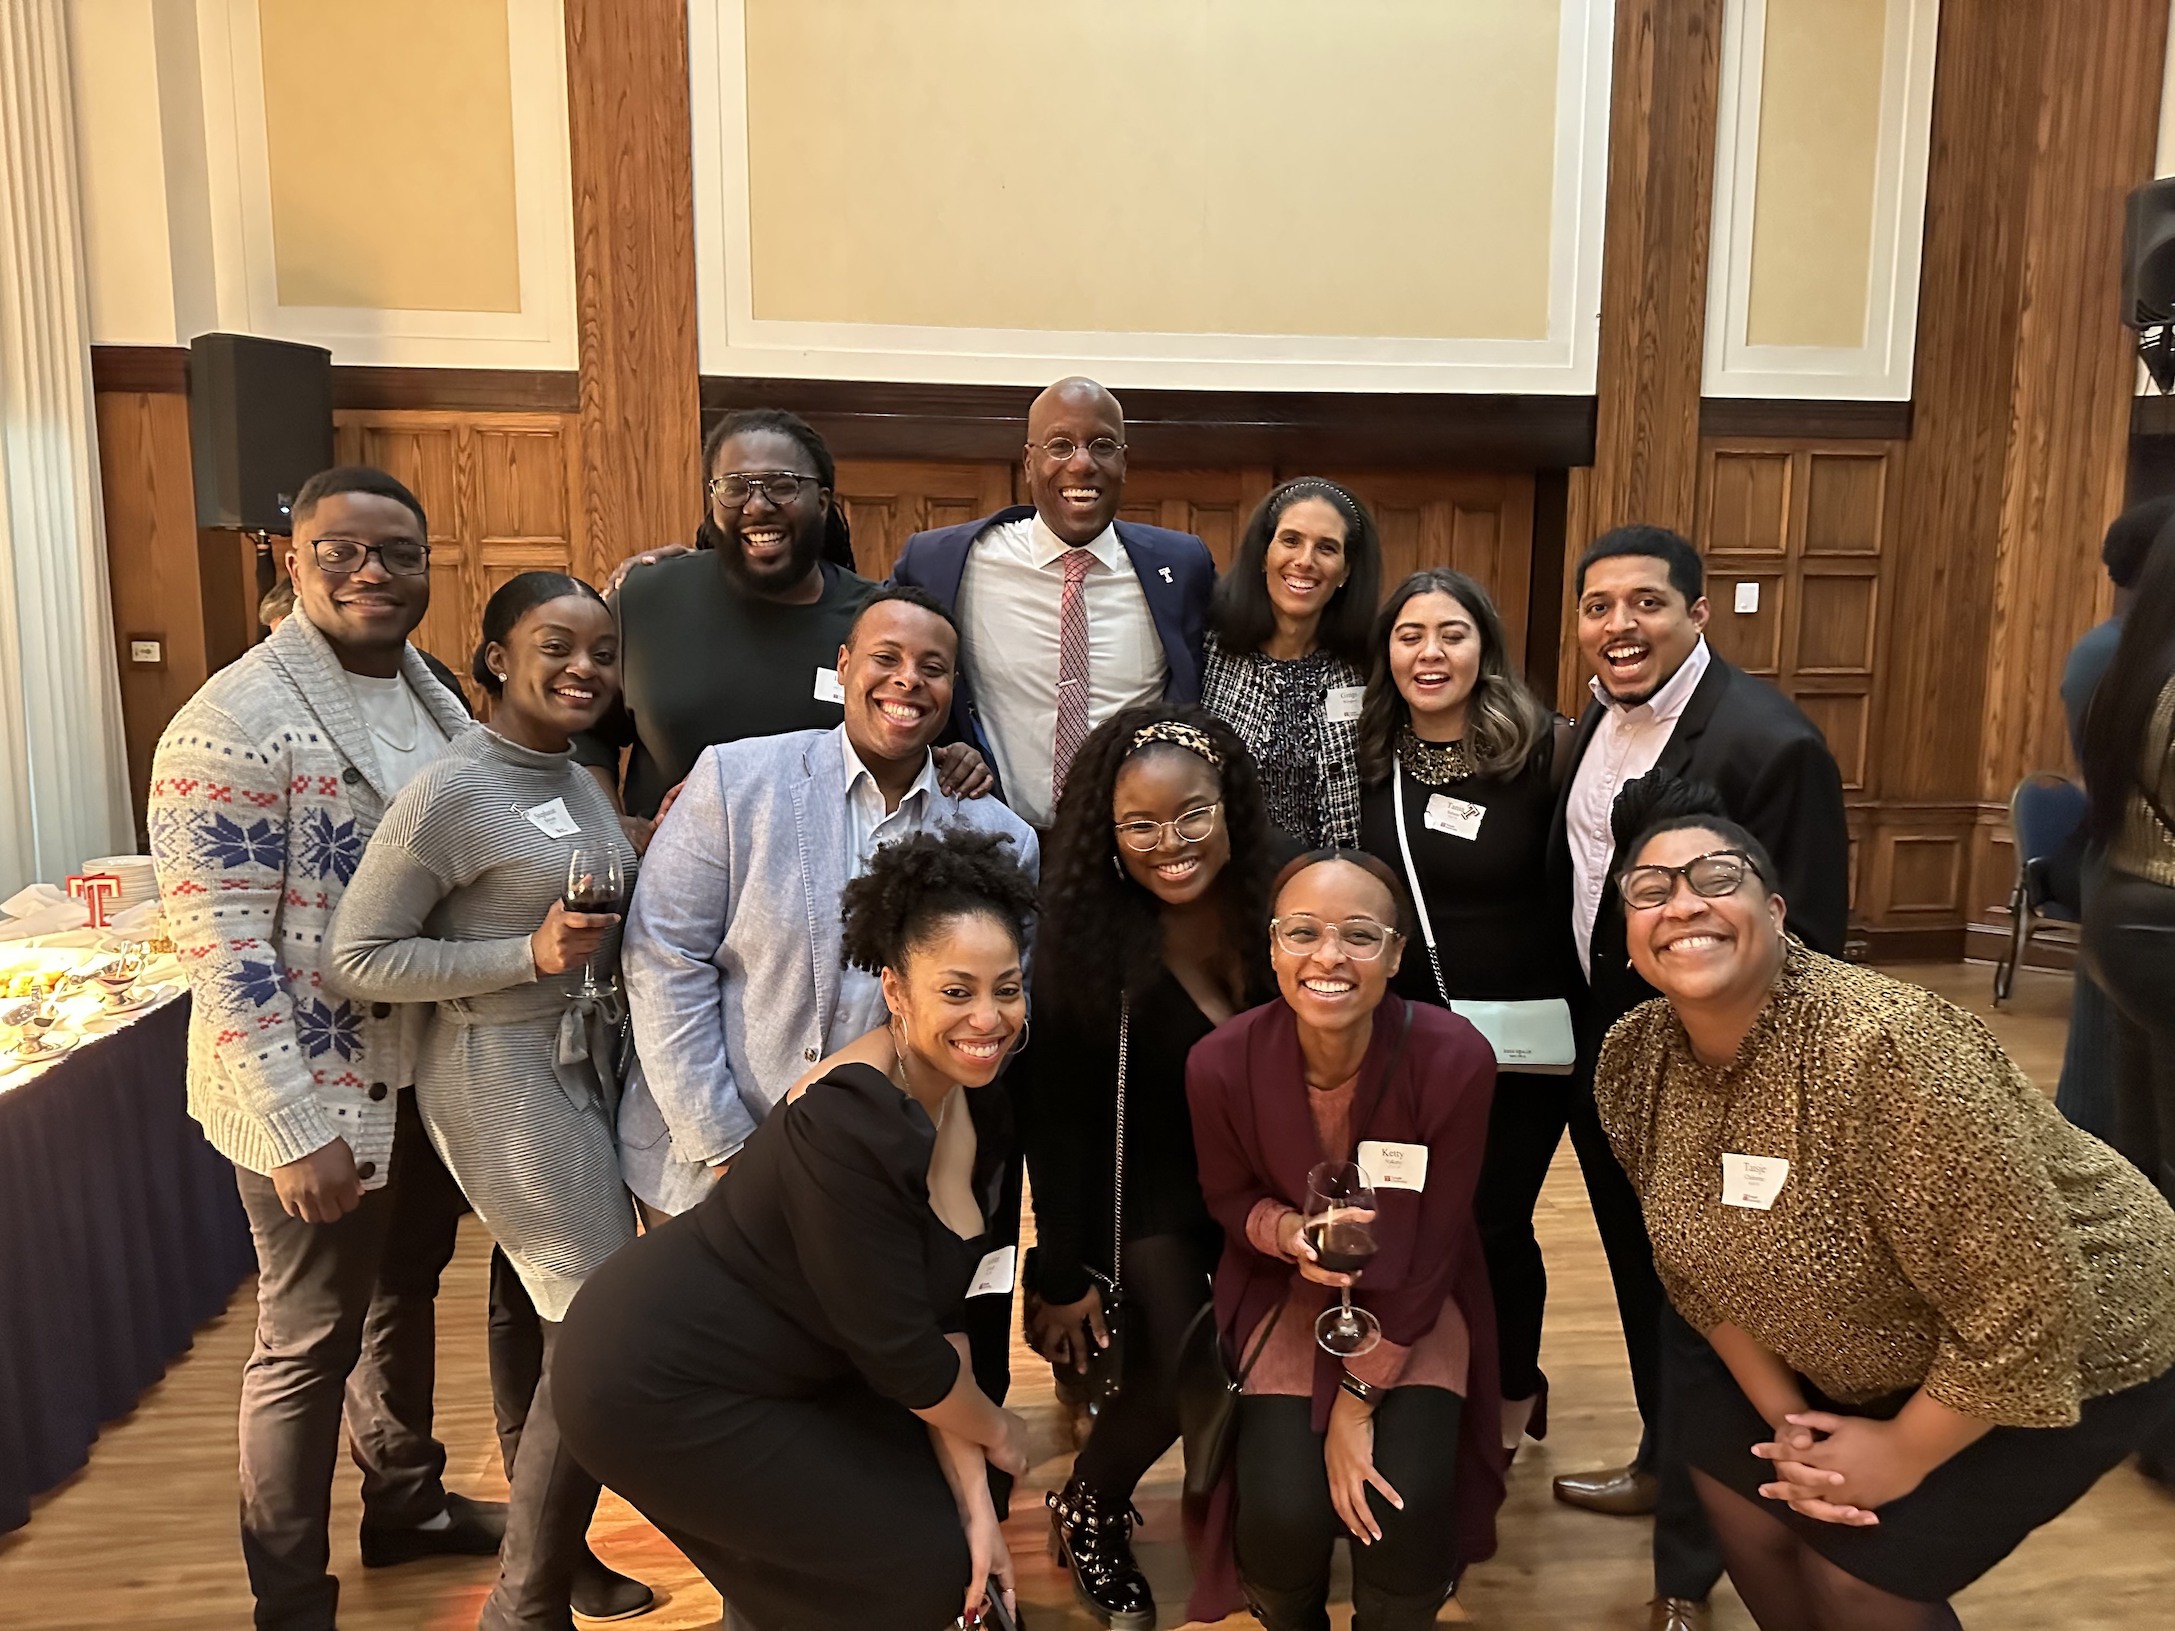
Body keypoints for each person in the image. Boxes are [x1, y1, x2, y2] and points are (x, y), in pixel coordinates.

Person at [1596, 773, 2175, 1631]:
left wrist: (1901, 1453)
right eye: (1650, 890)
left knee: (1859, 1580)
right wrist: (1793, 1427)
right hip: (1857, 1336)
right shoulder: (1633, 1059)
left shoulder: (1883, 1050)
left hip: (2084, 1332)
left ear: (1779, 912)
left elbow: (2029, 1301)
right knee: (1746, 1500)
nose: (1681, 904)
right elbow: (1692, 1269)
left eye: (1716, 878)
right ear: (1628, 932)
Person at [148, 467, 507, 1631]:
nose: (372, 573)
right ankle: (289, 1595)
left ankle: (404, 1501)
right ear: (290, 562)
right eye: (342, 551)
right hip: (313, 1091)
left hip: (420, 1075)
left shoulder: (432, 694)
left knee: (403, 1290)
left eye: (397, 553)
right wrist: (297, 1128)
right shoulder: (231, 720)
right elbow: (226, 952)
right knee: (305, 1341)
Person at [553, 830, 1040, 1631]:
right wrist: (1000, 1432)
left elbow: (934, 1318)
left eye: (1007, 988)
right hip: (653, 1382)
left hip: (783, 1369)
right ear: (895, 989)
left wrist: (977, 1499)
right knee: (915, 1573)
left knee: (937, 1543)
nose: (988, 1017)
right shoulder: (848, 1121)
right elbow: (902, 1355)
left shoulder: (971, 1090)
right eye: (957, 991)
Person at [325, 572, 651, 1629]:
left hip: (580, 1060)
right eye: (556, 646)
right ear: (499, 655)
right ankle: (526, 1597)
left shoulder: (571, 769)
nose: (585, 668)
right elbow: (358, 955)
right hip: (499, 1070)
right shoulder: (452, 789)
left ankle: (553, 1548)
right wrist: (525, 951)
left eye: (602, 651)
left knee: (540, 1304)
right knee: (595, 1317)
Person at [1550, 524, 1850, 1631]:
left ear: (1699, 612)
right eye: (1598, 606)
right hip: (1610, 1054)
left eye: (1646, 604)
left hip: (1717, 1072)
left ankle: (1693, 1559)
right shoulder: (1589, 721)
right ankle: (1660, 1458)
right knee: (1642, 1275)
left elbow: (1811, 932)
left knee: (1713, 1301)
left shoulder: (1772, 741)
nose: (1618, 626)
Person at [1184, 850, 1504, 1631]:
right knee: (1284, 1514)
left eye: (1359, 935)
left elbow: (1433, 1246)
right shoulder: (1217, 1063)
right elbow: (1228, 1198)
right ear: (1271, 947)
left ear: (1395, 953)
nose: (1328, 956)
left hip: (1414, 1299)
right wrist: (1288, 1231)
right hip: (1285, 1297)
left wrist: (1358, 1400)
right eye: (1303, 932)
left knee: (1401, 1502)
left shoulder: (1454, 1057)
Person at [1016, 707, 1279, 1627]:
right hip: (1152, 1185)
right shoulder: (1084, 935)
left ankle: (1267, 1513)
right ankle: (1088, 1500)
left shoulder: (1281, 901)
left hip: (1272, 1179)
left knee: (1277, 1350)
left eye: (1191, 815)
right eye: (1141, 825)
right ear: (1108, 830)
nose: (1170, 844)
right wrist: (1060, 1267)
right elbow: (1058, 1120)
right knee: (1175, 1364)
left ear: (1230, 807)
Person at [1354, 568, 1572, 1460]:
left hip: (1522, 1043)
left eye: (1451, 632)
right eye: (1409, 635)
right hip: (1404, 1040)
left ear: (1484, 647)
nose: (1429, 652)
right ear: (1388, 654)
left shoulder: (1544, 755)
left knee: (1492, 1220)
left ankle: (1516, 1389)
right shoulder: (1369, 762)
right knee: (1412, 1219)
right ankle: (1431, 1379)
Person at [574, 408, 989, 837]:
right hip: (672, 878)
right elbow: (584, 734)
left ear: (823, 502)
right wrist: (614, 828)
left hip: (828, 881)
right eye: (734, 488)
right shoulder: (646, 597)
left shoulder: (872, 622)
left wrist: (954, 757)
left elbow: (914, 734)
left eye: (782, 486)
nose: (757, 506)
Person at [890, 375, 1216, 827]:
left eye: (1102, 445)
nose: (1082, 464)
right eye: (1060, 445)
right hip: (993, 833)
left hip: (1128, 846)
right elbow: (890, 678)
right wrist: (936, 749)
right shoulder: (946, 562)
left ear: (1124, 463)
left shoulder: (1182, 566)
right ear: (1028, 462)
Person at [2057, 496, 2175, 1140]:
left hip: (2120, 864)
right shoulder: (2133, 656)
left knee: (2120, 1063)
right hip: (2146, 870)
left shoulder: (2114, 650)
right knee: (2120, 1070)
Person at [1200, 479, 1381, 847]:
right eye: (1291, 540)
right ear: (1264, 554)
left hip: (1332, 886)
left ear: (1346, 571)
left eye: (1326, 548)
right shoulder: (1206, 651)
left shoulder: (1371, 665)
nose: (1305, 561)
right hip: (1229, 883)